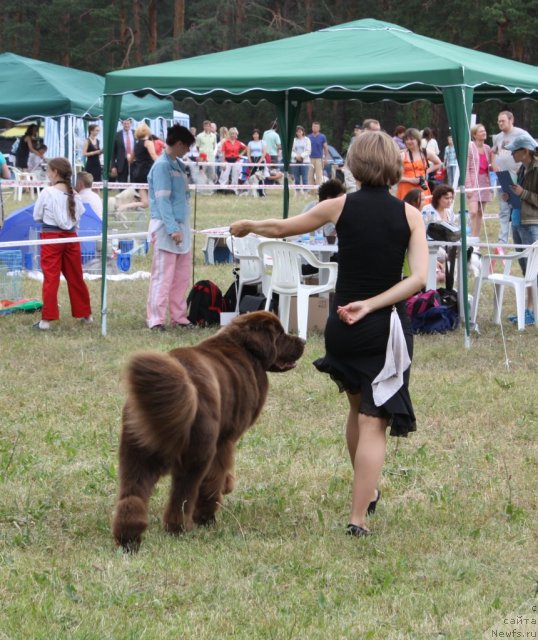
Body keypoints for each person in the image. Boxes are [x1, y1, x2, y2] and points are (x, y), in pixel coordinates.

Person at [230, 131, 428, 537]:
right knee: (375, 421)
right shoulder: (410, 216)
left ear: (354, 166)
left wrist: (250, 224)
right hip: (382, 327)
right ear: (393, 166)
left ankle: (366, 490)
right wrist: (373, 305)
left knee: (357, 410)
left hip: (342, 326)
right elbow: (420, 280)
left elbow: (283, 227)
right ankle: (358, 519)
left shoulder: (338, 205)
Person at [32, 157, 92, 331]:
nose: (47, 174)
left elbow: (37, 216)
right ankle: (86, 314)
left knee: (51, 278)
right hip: (72, 237)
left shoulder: (47, 192)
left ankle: (46, 320)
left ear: (55, 172)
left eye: (48, 171)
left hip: (51, 238)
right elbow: (79, 215)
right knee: (76, 276)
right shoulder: (74, 193)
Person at [146, 124, 196, 331]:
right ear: (178, 144)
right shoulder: (161, 167)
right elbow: (162, 201)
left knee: (181, 277)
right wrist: (172, 228)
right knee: (162, 277)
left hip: (182, 227)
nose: (188, 150)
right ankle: (156, 319)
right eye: (186, 146)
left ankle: (179, 316)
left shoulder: (179, 165)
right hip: (166, 228)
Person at [504, 133, 538, 325]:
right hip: (518, 221)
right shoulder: (522, 169)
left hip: (532, 223)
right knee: (527, 270)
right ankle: (529, 311)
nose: (511, 155)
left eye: (514, 151)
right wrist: (510, 197)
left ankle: (534, 311)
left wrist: (522, 193)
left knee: (535, 270)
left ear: (525, 151)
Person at [490, 110, 528, 244]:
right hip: (503, 177)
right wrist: (494, 163)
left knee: (518, 208)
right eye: (499, 121)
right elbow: (493, 151)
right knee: (504, 209)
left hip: (519, 178)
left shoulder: (521, 134)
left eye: (503, 121)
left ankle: (521, 238)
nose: (500, 123)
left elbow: (531, 149)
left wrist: (523, 167)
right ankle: (502, 240)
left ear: (511, 120)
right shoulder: (498, 137)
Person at [396, 128, 441, 202]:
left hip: (422, 188)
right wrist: (411, 180)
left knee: (424, 210)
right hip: (406, 189)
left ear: (418, 139)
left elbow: (438, 163)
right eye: (406, 139)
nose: (408, 141)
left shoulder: (425, 152)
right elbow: (395, 176)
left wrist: (426, 171)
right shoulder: (402, 155)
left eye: (411, 139)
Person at [465, 124, 492, 237]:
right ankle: (468, 237)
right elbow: (466, 168)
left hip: (484, 182)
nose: (484, 133)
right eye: (481, 131)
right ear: (474, 135)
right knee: (473, 212)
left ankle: (475, 239)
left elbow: (489, 166)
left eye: (484, 130)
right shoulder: (470, 147)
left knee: (480, 212)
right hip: (473, 181)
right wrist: (468, 186)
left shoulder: (487, 148)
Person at [131, 122, 158, 207]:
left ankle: (124, 206)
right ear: (147, 132)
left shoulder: (136, 144)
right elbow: (153, 156)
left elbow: (131, 159)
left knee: (144, 201)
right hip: (147, 172)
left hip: (138, 173)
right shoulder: (148, 143)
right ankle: (123, 206)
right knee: (149, 201)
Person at [111, 118, 135, 183]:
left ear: (131, 124)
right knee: (122, 182)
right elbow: (113, 152)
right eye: (125, 124)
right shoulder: (117, 135)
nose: (126, 125)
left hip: (134, 161)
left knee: (134, 181)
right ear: (122, 124)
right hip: (122, 162)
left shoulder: (135, 133)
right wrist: (113, 166)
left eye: (128, 123)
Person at [291, 125, 311, 196]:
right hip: (295, 161)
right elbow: (291, 150)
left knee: (305, 178)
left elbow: (308, 150)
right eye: (297, 132)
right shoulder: (293, 140)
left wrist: (301, 156)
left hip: (305, 161)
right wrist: (296, 156)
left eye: (300, 131)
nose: (299, 133)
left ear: (303, 132)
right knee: (296, 178)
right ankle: (297, 192)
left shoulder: (307, 140)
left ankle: (306, 193)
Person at [307, 121, 329, 186]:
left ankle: (318, 190)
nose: (315, 128)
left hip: (319, 159)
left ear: (319, 128)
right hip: (310, 158)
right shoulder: (308, 137)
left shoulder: (322, 137)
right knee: (309, 175)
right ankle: (310, 190)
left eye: (316, 127)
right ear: (312, 127)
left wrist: (326, 158)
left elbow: (326, 148)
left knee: (319, 175)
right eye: (313, 126)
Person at [247, 129, 267, 197]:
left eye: (257, 134)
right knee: (252, 177)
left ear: (259, 135)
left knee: (259, 177)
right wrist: (250, 161)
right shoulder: (250, 143)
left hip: (260, 159)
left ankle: (261, 192)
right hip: (253, 159)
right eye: (254, 134)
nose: (255, 135)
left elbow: (264, 153)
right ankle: (252, 193)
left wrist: (259, 162)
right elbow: (248, 153)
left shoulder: (262, 142)